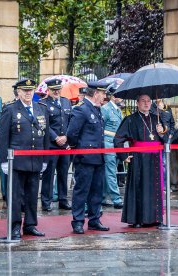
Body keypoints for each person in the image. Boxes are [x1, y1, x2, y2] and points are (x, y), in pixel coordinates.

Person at [0, 78, 49, 239]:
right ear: (18, 92)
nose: (28, 93)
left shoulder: (41, 108)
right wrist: (4, 161)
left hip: (35, 159)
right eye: (24, 90)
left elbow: (46, 136)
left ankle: (30, 224)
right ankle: (14, 226)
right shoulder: (10, 109)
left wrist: (45, 159)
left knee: (33, 194)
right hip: (17, 161)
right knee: (15, 196)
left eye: (30, 90)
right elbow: (3, 138)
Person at [114, 94, 166, 228]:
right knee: (139, 188)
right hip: (138, 159)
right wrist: (124, 156)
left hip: (154, 159)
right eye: (143, 101)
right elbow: (118, 139)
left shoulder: (157, 119)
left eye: (148, 101)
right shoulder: (130, 119)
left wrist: (162, 133)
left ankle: (156, 218)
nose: (146, 103)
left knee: (154, 188)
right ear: (137, 103)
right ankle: (138, 219)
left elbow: (167, 140)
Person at [67, 81, 110, 234]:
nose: (105, 96)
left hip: (98, 156)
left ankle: (94, 219)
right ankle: (78, 221)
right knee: (81, 190)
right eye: (103, 93)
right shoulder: (81, 109)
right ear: (96, 93)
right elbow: (72, 134)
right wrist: (77, 149)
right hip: (84, 158)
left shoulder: (97, 110)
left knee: (96, 190)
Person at [39, 78, 72, 211]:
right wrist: (55, 137)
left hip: (65, 144)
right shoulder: (43, 104)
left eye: (58, 89)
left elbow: (70, 121)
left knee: (63, 173)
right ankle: (46, 201)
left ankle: (63, 199)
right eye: (53, 90)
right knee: (49, 174)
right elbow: (43, 124)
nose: (56, 92)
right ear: (48, 90)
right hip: (52, 145)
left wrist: (67, 137)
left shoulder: (66, 101)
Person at [101, 84, 124, 209]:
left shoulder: (118, 110)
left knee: (108, 172)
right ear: (114, 96)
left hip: (115, 144)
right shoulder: (105, 109)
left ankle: (103, 197)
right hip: (107, 143)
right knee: (111, 172)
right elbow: (101, 127)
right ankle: (116, 199)